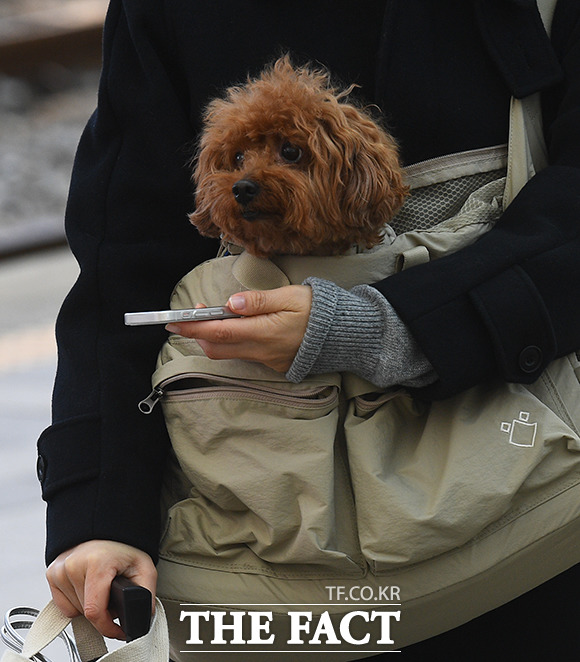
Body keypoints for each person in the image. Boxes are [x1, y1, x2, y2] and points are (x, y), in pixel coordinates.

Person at [38, 0, 580, 659]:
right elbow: (123, 264)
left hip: (538, 534)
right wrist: (99, 516)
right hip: (268, 570)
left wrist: (389, 327)